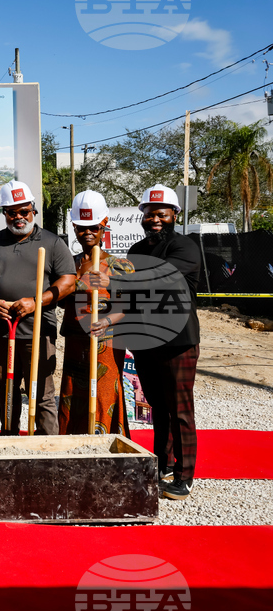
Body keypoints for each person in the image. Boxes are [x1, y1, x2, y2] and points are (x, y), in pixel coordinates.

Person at [0, 181, 77, 435]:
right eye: (12, 212)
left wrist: (37, 301)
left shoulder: (51, 243)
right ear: (4, 214)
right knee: (6, 391)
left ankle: (48, 449)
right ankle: (10, 438)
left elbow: (69, 281)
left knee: (41, 392)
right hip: (2, 331)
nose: (18, 217)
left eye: (24, 211)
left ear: (33, 210)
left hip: (37, 332)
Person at [128, 184, 202, 500]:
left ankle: (184, 476)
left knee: (180, 408)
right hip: (148, 339)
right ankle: (163, 464)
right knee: (157, 407)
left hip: (178, 341)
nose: (155, 218)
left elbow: (159, 276)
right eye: (150, 213)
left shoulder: (185, 247)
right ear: (143, 216)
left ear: (174, 214)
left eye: (162, 213)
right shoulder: (136, 250)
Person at [58, 191, 134, 438]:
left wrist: (107, 320)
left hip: (106, 345)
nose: (87, 233)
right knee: (72, 397)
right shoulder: (69, 264)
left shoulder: (120, 266)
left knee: (103, 397)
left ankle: (105, 449)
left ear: (104, 227)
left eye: (94, 227)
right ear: (74, 228)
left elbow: (132, 303)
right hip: (75, 344)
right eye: (81, 228)